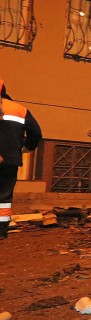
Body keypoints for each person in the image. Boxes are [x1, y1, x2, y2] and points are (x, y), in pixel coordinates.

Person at [0, 79, 42, 240]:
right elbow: (36, 133)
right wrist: (26, 147)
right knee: (3, 198)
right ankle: (1, 231)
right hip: (10, 161)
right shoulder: (19, 109)